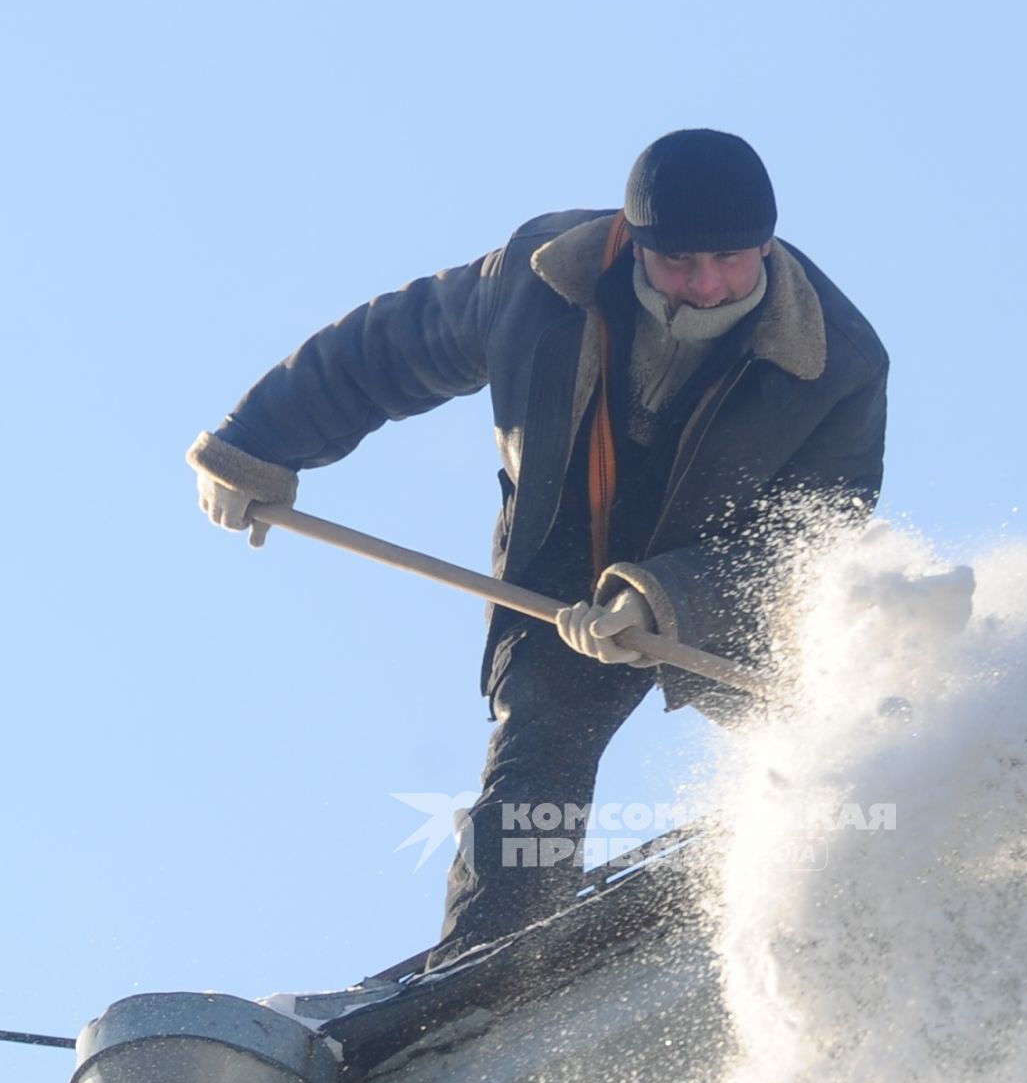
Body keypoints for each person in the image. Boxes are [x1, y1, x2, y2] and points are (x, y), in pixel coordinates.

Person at [188, 129, 889, 966]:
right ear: (634, 242)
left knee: (825, 722)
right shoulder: (542, 279)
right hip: (564, 556)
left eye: (731, 260)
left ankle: (897, 862)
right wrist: (256, 444)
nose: (706, 284)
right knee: (538, 766)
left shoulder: (835, 361)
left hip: (725, 578)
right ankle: (487, 974)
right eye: (679, 262)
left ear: (766, 245)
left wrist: (668, 597)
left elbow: (813, 535)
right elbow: (386, 350)